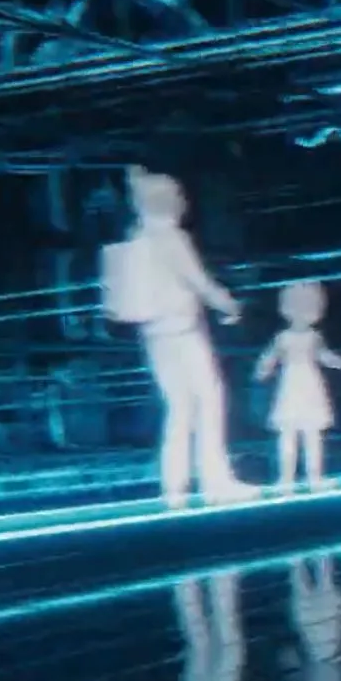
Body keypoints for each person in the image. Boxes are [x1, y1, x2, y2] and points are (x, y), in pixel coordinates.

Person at [101, 165, 258, 508]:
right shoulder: (171, 238)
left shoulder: (136, 235)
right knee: (209, 399)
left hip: (154, 334)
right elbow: (199, 282)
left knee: (179, 407)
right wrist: (229, 305)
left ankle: (174, 485)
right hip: (183, 331)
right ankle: (216, 480)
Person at [254, 280, 341, 496]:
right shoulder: (283, 338)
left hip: (307, 384)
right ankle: (286, 478)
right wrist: (263, 369)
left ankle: (313, 477)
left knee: (311, 434)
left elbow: (324, 356)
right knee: (290, 433)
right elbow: (270, 357)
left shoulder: (313, 337)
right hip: (293, 384)